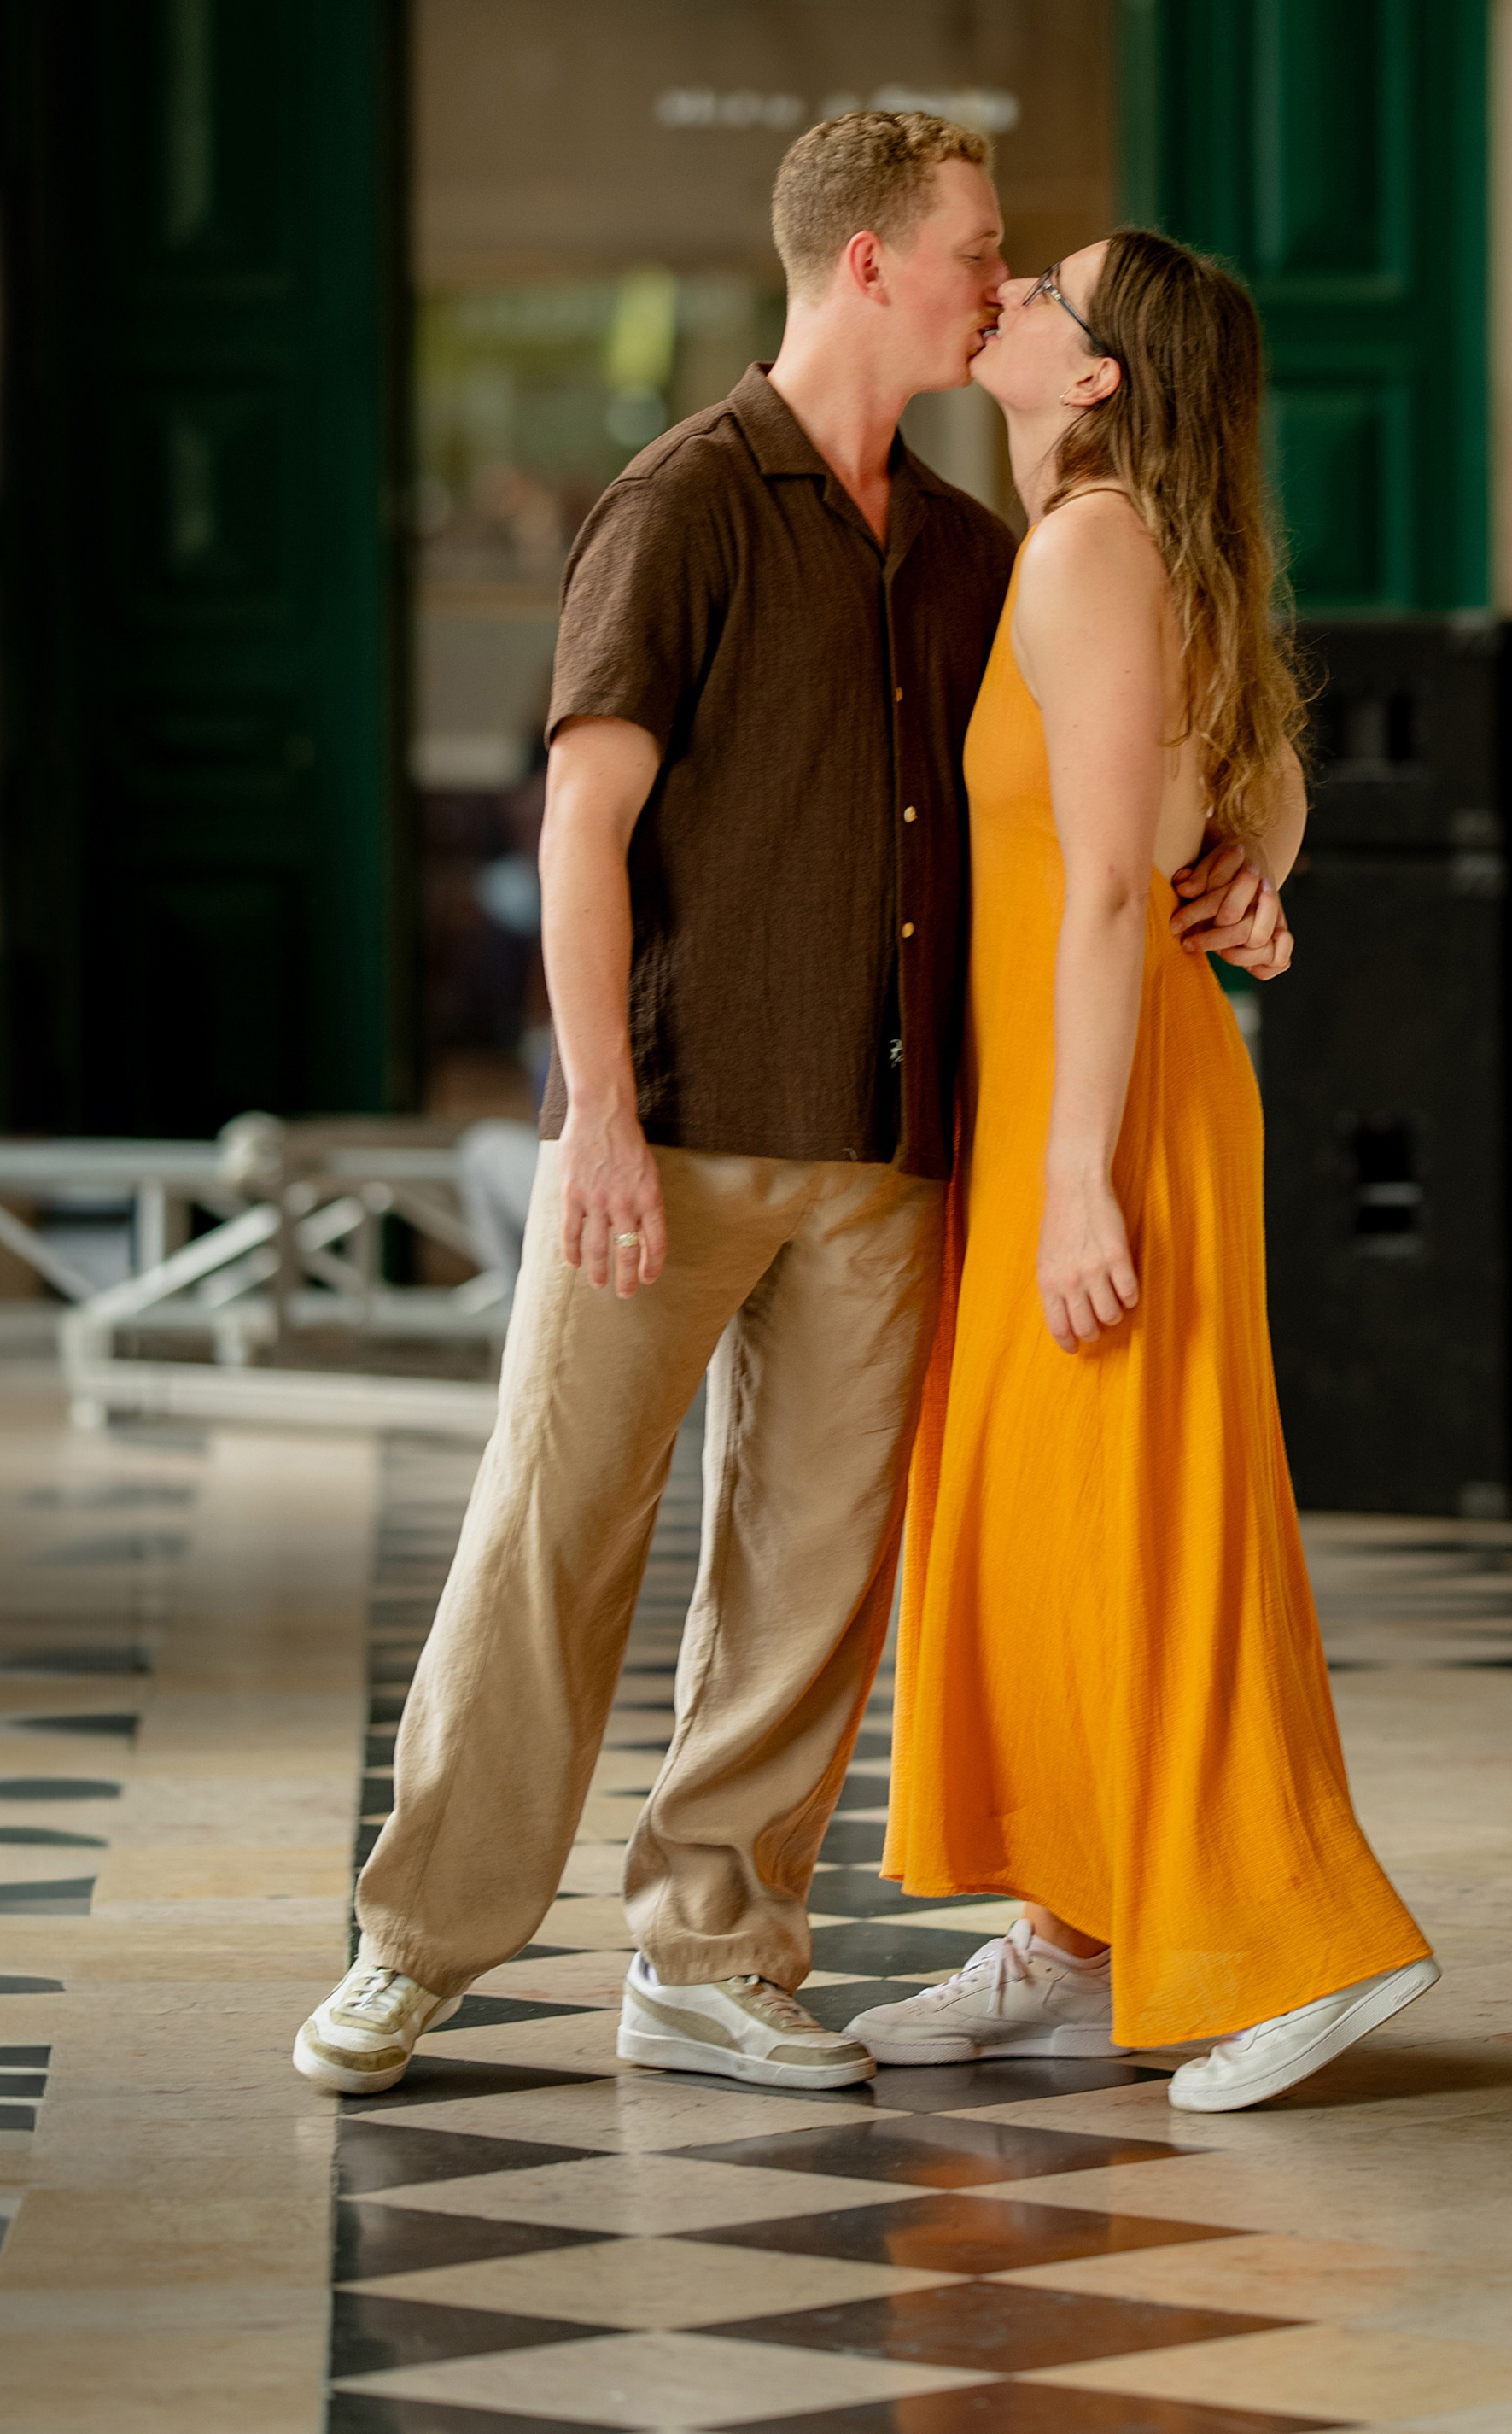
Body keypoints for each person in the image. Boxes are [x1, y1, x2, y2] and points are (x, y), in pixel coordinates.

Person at [293, 118, 1281, 2103]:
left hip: (895, 1150)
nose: (999, 281)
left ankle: (710, 1950)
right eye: (976, 250)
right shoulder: (679, 502)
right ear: (865, 269)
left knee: (808, 1584)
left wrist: (1264, 833)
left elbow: (1157, 728)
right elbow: (585, 826)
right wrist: (589, 1115)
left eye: (1015, 264)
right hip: (671, 1130)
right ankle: (415, 1949)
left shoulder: (977, 544)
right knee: (549, 1539)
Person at [861, 227, 1438, 2114]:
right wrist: (1259, 849)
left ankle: (1301, 1947)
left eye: (1040, 290)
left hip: (1101, 1116)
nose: (1006, 291)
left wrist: (1076, 1177)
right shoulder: (1118, 542)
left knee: (1161, 1536)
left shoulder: (1095, 546)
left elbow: (1113, 880)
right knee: (1051, 1534)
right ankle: (1080, 1928)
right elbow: (1239, 768)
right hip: (1074, 1098)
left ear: (1094, 375)